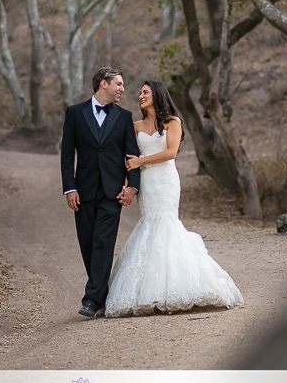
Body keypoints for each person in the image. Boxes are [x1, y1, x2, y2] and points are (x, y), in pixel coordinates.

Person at [105, 80, 244, 317]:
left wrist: (141, 161)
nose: (140, 96)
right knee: (149, 224)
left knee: (166, 224)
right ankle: (148, 290)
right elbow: (129, 157)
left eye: (145, 92)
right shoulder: (135, 125)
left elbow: (171, 152)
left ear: (157, 95)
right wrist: (128, 184)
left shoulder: (173, 122)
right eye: (140, 93)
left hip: (166, 180)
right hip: (147, 183)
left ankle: (182, 286)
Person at [60, 67, 140, 318]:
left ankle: (91, 300)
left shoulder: (125, 117)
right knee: (87, 244)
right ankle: (101, 295)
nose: (122, 89)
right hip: (82, 191)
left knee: (103, 242)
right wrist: (69, 187)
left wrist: (132, 186)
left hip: (112, 191)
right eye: (118, 84)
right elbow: (66, 155)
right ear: (103, 84)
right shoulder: (74, 113)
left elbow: (132, 155)